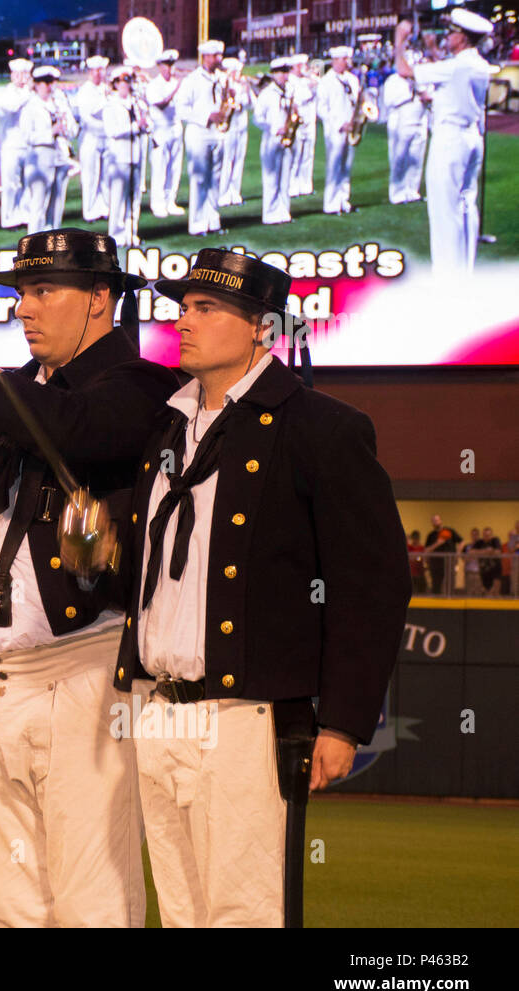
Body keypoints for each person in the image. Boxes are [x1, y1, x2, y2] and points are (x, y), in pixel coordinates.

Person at [113, 249, 411, 926]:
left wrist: (341, 720)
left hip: (245, 718)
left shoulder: (322, 428)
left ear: (263, 329)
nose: (185, 321)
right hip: (157, 709)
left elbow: (373, 584)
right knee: (184, 914)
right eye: (183, 306)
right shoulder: (165, 424)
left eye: (207, 307)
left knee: (244, 913)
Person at [0, 228, 177, 926]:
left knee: (93, 902)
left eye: (42, 290)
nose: (23, 308)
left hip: (86, 670)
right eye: (20, 292)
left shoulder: (142, 385)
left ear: (100, 299)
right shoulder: (10, 396)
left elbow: (70, 431)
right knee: (12, 908)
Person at [394, 12, 493, 273]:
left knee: (444, 209)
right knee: (466, 205)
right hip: (472, 137)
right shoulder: (478, 63)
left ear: (462, 37)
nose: (447, 36)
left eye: (451, 32)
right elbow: (449, 72)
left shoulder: (457, 66)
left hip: (450, 139)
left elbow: (403, 69)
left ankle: (447, 279)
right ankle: (464, 271)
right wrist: (432, 50)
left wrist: (399, 40)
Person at [175, 39, 227, 237]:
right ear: (205, 57)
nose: (219, 59)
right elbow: (182, 110)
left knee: (215, 178)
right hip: (199, 133)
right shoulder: (192, 80)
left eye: (220, 55)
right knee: (199, 179)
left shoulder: (222, 78)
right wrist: (206, 116)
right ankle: (197, 224)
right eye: (215, 56)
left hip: (218, 133)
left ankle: (213, 220)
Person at [21, 66, 75, 234]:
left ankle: (53, 247)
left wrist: (66, 128)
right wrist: (50, 133)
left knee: (57, 205)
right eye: (45, 82)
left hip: (60, 157)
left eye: (52, 82)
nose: (50, 86)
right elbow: (27, 136)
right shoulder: (30, 106)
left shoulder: (60, 104)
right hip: (40, 159)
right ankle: (33, 247)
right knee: (38, 206)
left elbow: (73, 129)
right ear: (36, 84)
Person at [101, 66, 150, 249]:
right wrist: (136, 127)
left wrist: (145, 124)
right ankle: (116, 235)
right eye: (122, 82)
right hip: (118, 156)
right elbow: (112, 131)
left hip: (135, 154)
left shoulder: (137, 103)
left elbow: (147, 122)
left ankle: (131, 233)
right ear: (115, 84)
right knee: (118, 197)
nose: (126, 85)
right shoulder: (111, 105)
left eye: (128, 82)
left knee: (134, 197)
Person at [317, 46, 361, 215]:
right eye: (344, 59)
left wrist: (357, 120)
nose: (347, 62)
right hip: (335, 129)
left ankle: (343, 199)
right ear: (335, 60)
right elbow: (321, 108)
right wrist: (339, 123)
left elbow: (356, 102)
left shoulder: (352, 79)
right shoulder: (326, 81)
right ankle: (331, 203)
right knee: (334, 166)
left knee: (346, 166)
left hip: (351, 127)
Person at [382, 58, 429, 204]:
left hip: (420, 118)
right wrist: (410, 95)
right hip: (399, 118)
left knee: (417, 156)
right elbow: (389, 101)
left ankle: (412, 190)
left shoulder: (421, 80)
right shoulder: (393, 80)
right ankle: (397, 192)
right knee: (399, 156)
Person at [255, 58, 296, 225]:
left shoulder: (289, 91)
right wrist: (274, 128)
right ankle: (270, 214)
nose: (285, 76)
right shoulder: (266, 94)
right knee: (271, 178)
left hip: (287, 139)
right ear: (273, 74)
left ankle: (284, 211)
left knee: (285, 178)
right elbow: (257, 119)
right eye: (281, 72)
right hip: (271, 139)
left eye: (286, 72)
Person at [0, 58, 34, 229]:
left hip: (28, 143)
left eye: (25, 73)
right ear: (12, 75)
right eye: (18, 74)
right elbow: (13, 107)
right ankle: (9, 218)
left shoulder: (31, 94)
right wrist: (29, 92)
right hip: (11, 145)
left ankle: (24, 215)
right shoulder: (7, 93)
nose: (21, 77)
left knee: (27, 183)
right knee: (11, 184)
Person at [146, 49, 184, 218]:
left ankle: (171, 201)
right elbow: (160, 105)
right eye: (166, 65)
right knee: (160, 168)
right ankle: (158, 204)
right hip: (160, 128)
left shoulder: (177, 82)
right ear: (159, 66)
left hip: (176, 126)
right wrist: (176, 89)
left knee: (174, 168)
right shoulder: (154, 85)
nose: (169, 68)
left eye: (171, 64)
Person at [75, 55, 111, 222]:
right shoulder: (85, 91)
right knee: (90, 176)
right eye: (96, 70)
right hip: (91, 136)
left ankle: (104, 207)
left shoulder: (107, 89)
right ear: (90, 71)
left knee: (105, 175)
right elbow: (86, 117)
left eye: (101, 69)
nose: (99, 73)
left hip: (106, 137)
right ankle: (89, 211)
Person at [217, 57, 250, 207]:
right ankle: (223, 193)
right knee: (227, 160)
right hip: (229, 127)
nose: (239, 73)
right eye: (236, 70)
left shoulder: (242, 86)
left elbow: (251, 104)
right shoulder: (224, 87)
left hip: (242, 127)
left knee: (239, 159)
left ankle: (235, 191)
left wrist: (247, 90)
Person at [287, 54, 318, 197]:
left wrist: (313, 79)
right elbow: (295, 100)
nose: (306, 68)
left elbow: (319, 89)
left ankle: (306, 184)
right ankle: (292, 185)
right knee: (296, 154)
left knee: (308, 154)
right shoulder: (290, 81)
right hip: (298, 120)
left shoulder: (308, 80)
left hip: (310, 119)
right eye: (303, 65)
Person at [423, 514, 461, 595]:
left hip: (449, 562)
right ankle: (436, 600)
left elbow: (461, 542)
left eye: (437, 520)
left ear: (441, 521)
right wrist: (437, 543)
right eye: (433, 521)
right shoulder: (431, 535)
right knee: (436, 582)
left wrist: (457, 554)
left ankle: (450, 598)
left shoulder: (449, 531)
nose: (436, 522)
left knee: (449, 581)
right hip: (436, 563)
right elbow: (426, 550)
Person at [476, 526, 503, 597]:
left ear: (491, 535)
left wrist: (492, 551)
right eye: (485, 535)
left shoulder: (495, 540)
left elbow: (498, 552)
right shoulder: (479, 542)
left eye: (488, 535)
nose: (486, 537)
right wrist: (485, 551)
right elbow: (471, 552)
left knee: (495, 591)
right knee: (485, 591)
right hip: (484, 571)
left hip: (495, 569)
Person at [406, 530, 427, 595]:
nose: (415, 540)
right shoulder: (409, 547)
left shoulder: (421, 548)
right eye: (414, 538)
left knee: (421, 590)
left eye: (416, 538)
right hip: (411, 573)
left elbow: (423, 558)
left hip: (420, 572)